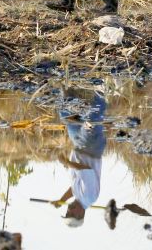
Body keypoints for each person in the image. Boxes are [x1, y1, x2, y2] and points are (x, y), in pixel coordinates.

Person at [54, 92, 107, 228]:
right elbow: (86, 170)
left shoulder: (80, 197)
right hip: (90, 147)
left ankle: (70, 88)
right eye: (71, 213)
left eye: (67, 212)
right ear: (80, 214)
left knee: (66, 114)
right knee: (92, 120)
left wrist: (61, 200)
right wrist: (66, 162)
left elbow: (73, 189)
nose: (69, 209)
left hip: (79, 144)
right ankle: (102, 90)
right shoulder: (89, 198)